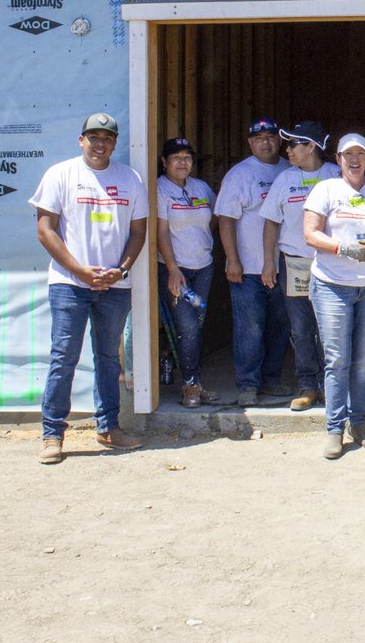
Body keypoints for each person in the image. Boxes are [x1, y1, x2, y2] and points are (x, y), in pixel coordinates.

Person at [29, 112, 148, 464]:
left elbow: (139, 232)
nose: (100, 143)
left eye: (107, 138)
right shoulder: (60, 174)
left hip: (115, 285)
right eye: (93, 137)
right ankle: (52, 434)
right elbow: (45, 230)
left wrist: (121, 269)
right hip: (69, 284)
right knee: (63, 357)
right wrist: (79, 270)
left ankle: (108, 427)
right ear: (81, 140)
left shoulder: (130, 179)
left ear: (115, 143)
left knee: (109, 358)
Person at [304, 134, 365, 460]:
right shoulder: (326, 190)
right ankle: (334, 428)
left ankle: (357, 423)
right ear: (338, 158)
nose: (355, 160)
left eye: (361, 153)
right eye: (349, 155)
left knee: (362, 360)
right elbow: (310, 233)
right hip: (332, 284)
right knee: (337, 360)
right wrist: (342, 248)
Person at [261, 121, 338, 412]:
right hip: (293, 262)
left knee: (330, 326)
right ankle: (308, 385)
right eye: (288, 144)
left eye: (294, 144)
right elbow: (271, 222)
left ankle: (332, 386)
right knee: (301, 327)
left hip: (331, 262)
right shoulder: (284, 180)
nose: (288, 150)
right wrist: (269, 261)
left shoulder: (335, 176)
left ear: (311, 147)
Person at [214, 117, 291, 407]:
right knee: (250, 327)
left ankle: (271, 380)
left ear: (280, 141)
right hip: (248, 268)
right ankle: (248, 384)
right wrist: (232, 260)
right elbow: (226, 219)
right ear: (250, 142)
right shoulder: (240, 174)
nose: (266, 141)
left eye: (271, 136)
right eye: (259, 137)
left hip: (283, 266)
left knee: (280, 325)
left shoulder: (289, 170)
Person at [156, 136, 219, 408]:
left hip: (203, 267)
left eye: (187, 157)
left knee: (197, 325)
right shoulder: (159, 189)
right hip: (175, 270)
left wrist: (203, 243)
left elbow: (216, 217)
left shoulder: (201, 187)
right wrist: (172, 268)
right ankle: (190, 386)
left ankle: (196, 382)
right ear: (164, 162)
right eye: (176, 157)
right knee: (188, 326)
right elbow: (160, 232)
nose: (182, 162)